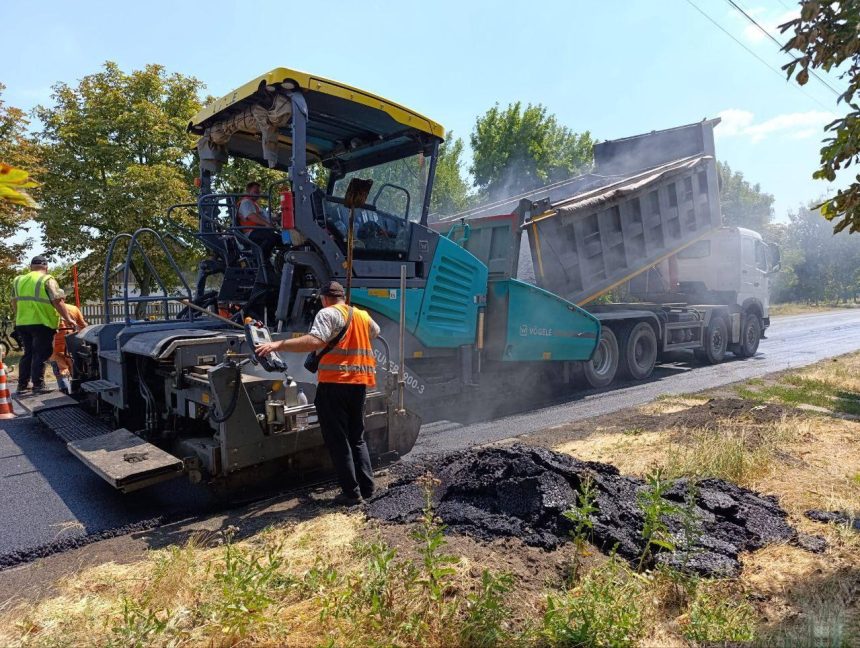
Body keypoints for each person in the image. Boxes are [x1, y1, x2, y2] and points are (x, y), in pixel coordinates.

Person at [254, 281, 379, 505]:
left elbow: (314, 341)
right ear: (343, 297)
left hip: (334, 384)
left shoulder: (327, 313)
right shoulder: (361, 315)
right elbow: (375, 332)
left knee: (338, 440)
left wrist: (277, 345)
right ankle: (368, 488)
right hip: (359, 383)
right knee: (357, 437)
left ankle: (351, 494)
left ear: (324, 298)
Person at [11, 256, 77, 395]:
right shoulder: (47, 280)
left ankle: (22, 385)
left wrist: (19, 318)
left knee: (28, 353)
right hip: (42, 322)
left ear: (30, 267)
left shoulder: (18, 280)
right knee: (41, 353)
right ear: (46, 267)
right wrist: (68, 318)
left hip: (22, 323)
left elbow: (14, 302)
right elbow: (58, 301)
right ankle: (39, 385)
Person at [48, 289, 87, 394]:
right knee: (74, 368)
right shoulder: (74, 309)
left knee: (60, 371)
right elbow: (83, 326)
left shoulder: (49, 310)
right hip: (71, 345)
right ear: (64, 298)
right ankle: (77, 392)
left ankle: (64, 391)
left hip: (54, 347)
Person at [236, 181, 281, 262]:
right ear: (248, 191)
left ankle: (276, 261)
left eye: (259, 192)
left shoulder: (255, 204)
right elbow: (251, 216)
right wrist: (267, 224)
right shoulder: (246, 202)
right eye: (255, 192)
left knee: (280, 238)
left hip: (258, 230)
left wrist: (278, 217)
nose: (258, 194)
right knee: (273, 238)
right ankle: (261, 261)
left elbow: (266, 217)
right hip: (251, 232)